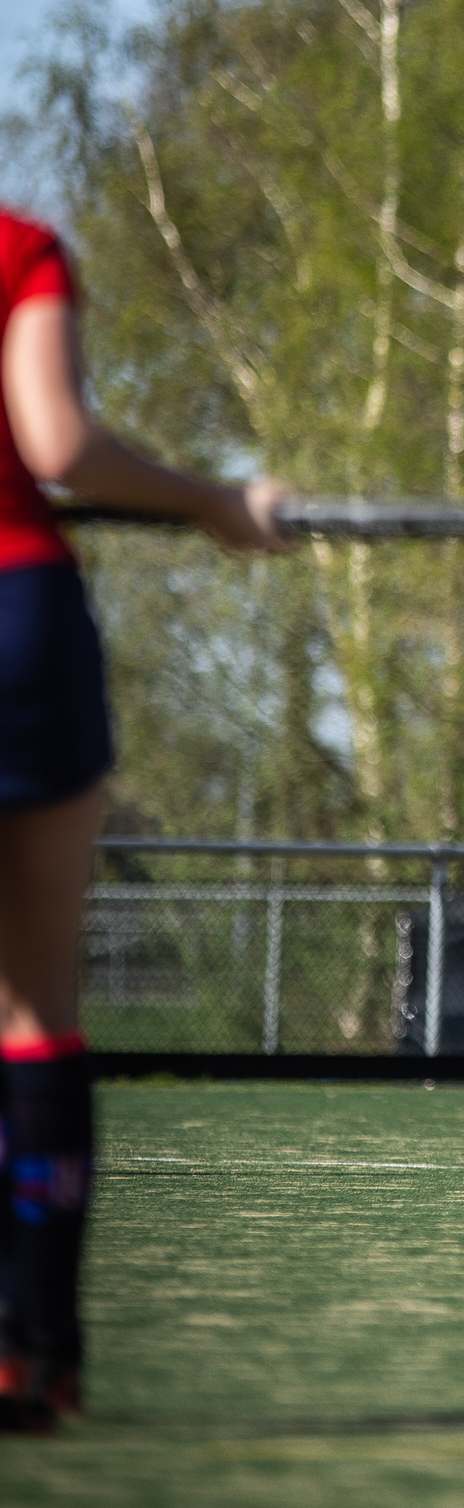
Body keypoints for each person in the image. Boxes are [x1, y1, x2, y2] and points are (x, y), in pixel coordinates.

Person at [0, 204, 287, 1426]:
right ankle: (31, 1353)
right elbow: (57, 444)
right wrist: (212, 500)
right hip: (17, 623)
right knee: (34, 1009)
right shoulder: (18, 245)